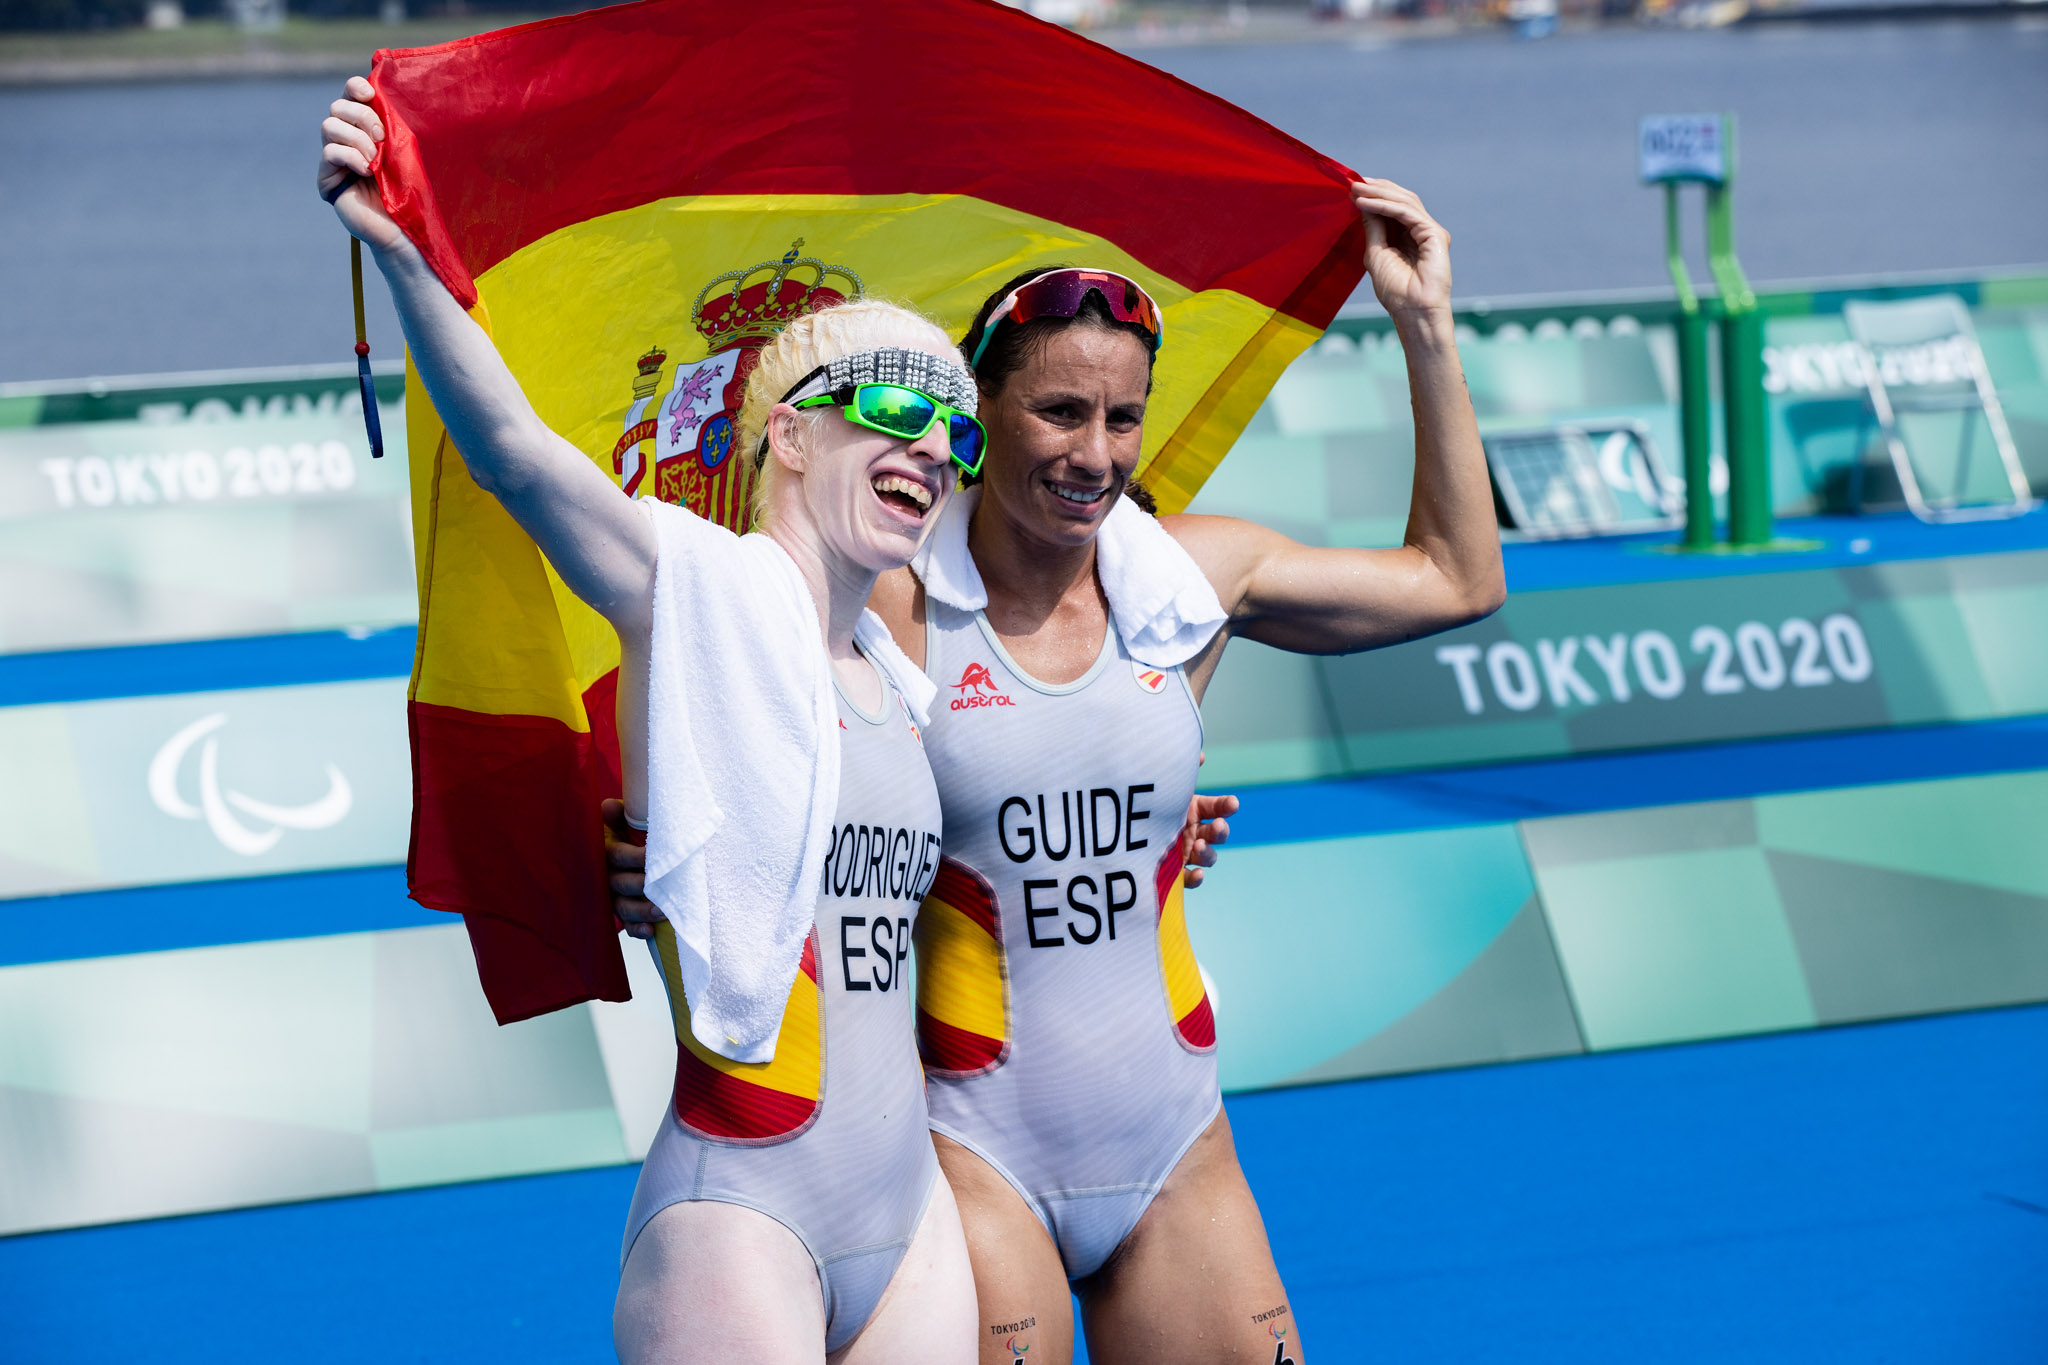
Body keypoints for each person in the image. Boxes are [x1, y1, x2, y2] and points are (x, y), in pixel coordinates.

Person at [612, 178, 1503, 1363]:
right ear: (974, 413)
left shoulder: (1192, 584)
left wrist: (1423, 327)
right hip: (973, 1164)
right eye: (1058, 413)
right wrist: (658, 861)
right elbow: (710, 695)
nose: (1096, 456)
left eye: (1123, 419)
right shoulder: (888, 600)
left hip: (1177, 1146)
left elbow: (1456, 579)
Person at [319, 77, 978, 1364]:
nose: (933, 448)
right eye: (894, 411)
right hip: (743, 1204)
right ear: (786, 434)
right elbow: (512, 451)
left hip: (908, 1210)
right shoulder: (693, 588)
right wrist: (400, 248)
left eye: (951, 428)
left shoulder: (895, 667)